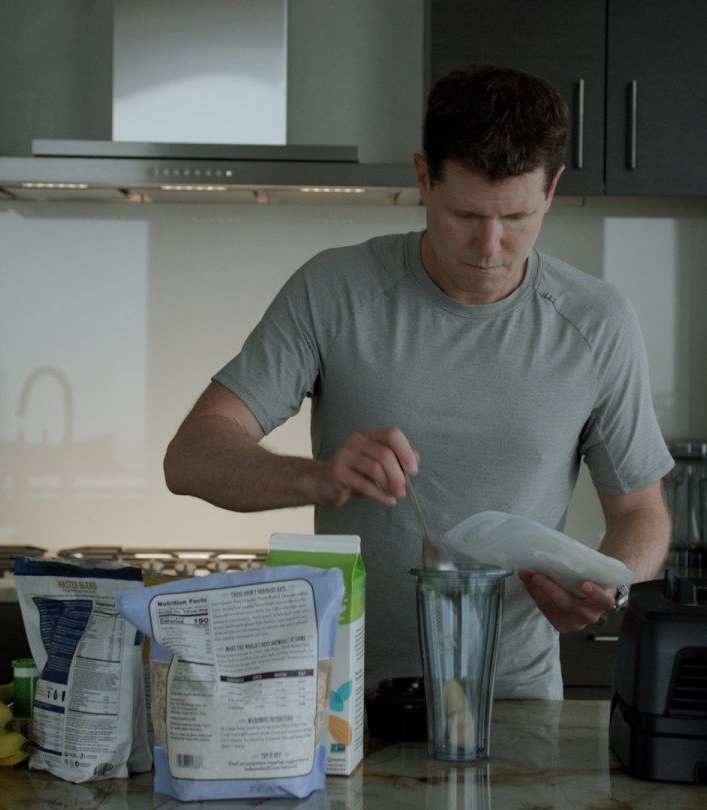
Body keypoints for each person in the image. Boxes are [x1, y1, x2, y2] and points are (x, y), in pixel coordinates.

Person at [163, 64, 673, 699]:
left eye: (516, 216)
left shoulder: (597, 321)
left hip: (511, 701)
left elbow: (640, 511)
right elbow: (189, 458)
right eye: (464, 214)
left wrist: (613, 588)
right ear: (423, 177)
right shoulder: (336, 290)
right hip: (343, 701)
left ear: (552, 189)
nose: (490, 245)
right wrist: (315, 478)